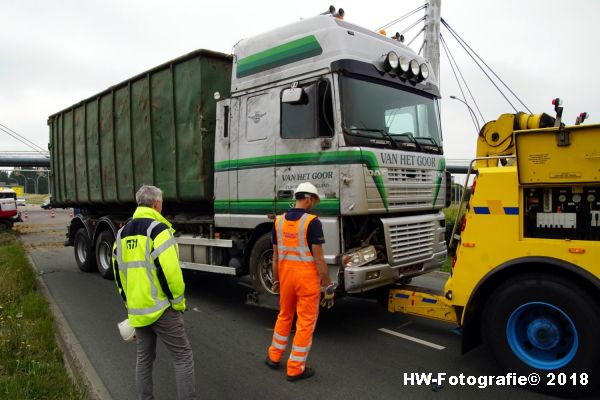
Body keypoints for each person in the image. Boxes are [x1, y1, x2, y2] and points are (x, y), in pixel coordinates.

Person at [112, 185, 196, 400]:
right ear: (157, 204)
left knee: (144, 359)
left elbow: (119, 274)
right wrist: (178, 303)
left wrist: (129, 301)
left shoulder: (121, 234)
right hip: (161, 308)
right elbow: (171, 274)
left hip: (138, 309)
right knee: (182, 357)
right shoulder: (158, 230)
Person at [265, 182, 335, 381]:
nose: (313, 204)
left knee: (285, 315)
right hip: (306, 281)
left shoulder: (278, 222)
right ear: (308, 199)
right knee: (305, 323)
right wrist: (328, 285)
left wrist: (276, 280)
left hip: (286, 278)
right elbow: (319, 259)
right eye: (313, 200)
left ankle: (274, 356)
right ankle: (295, 367)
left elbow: (275, 257)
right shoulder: (312, 222)